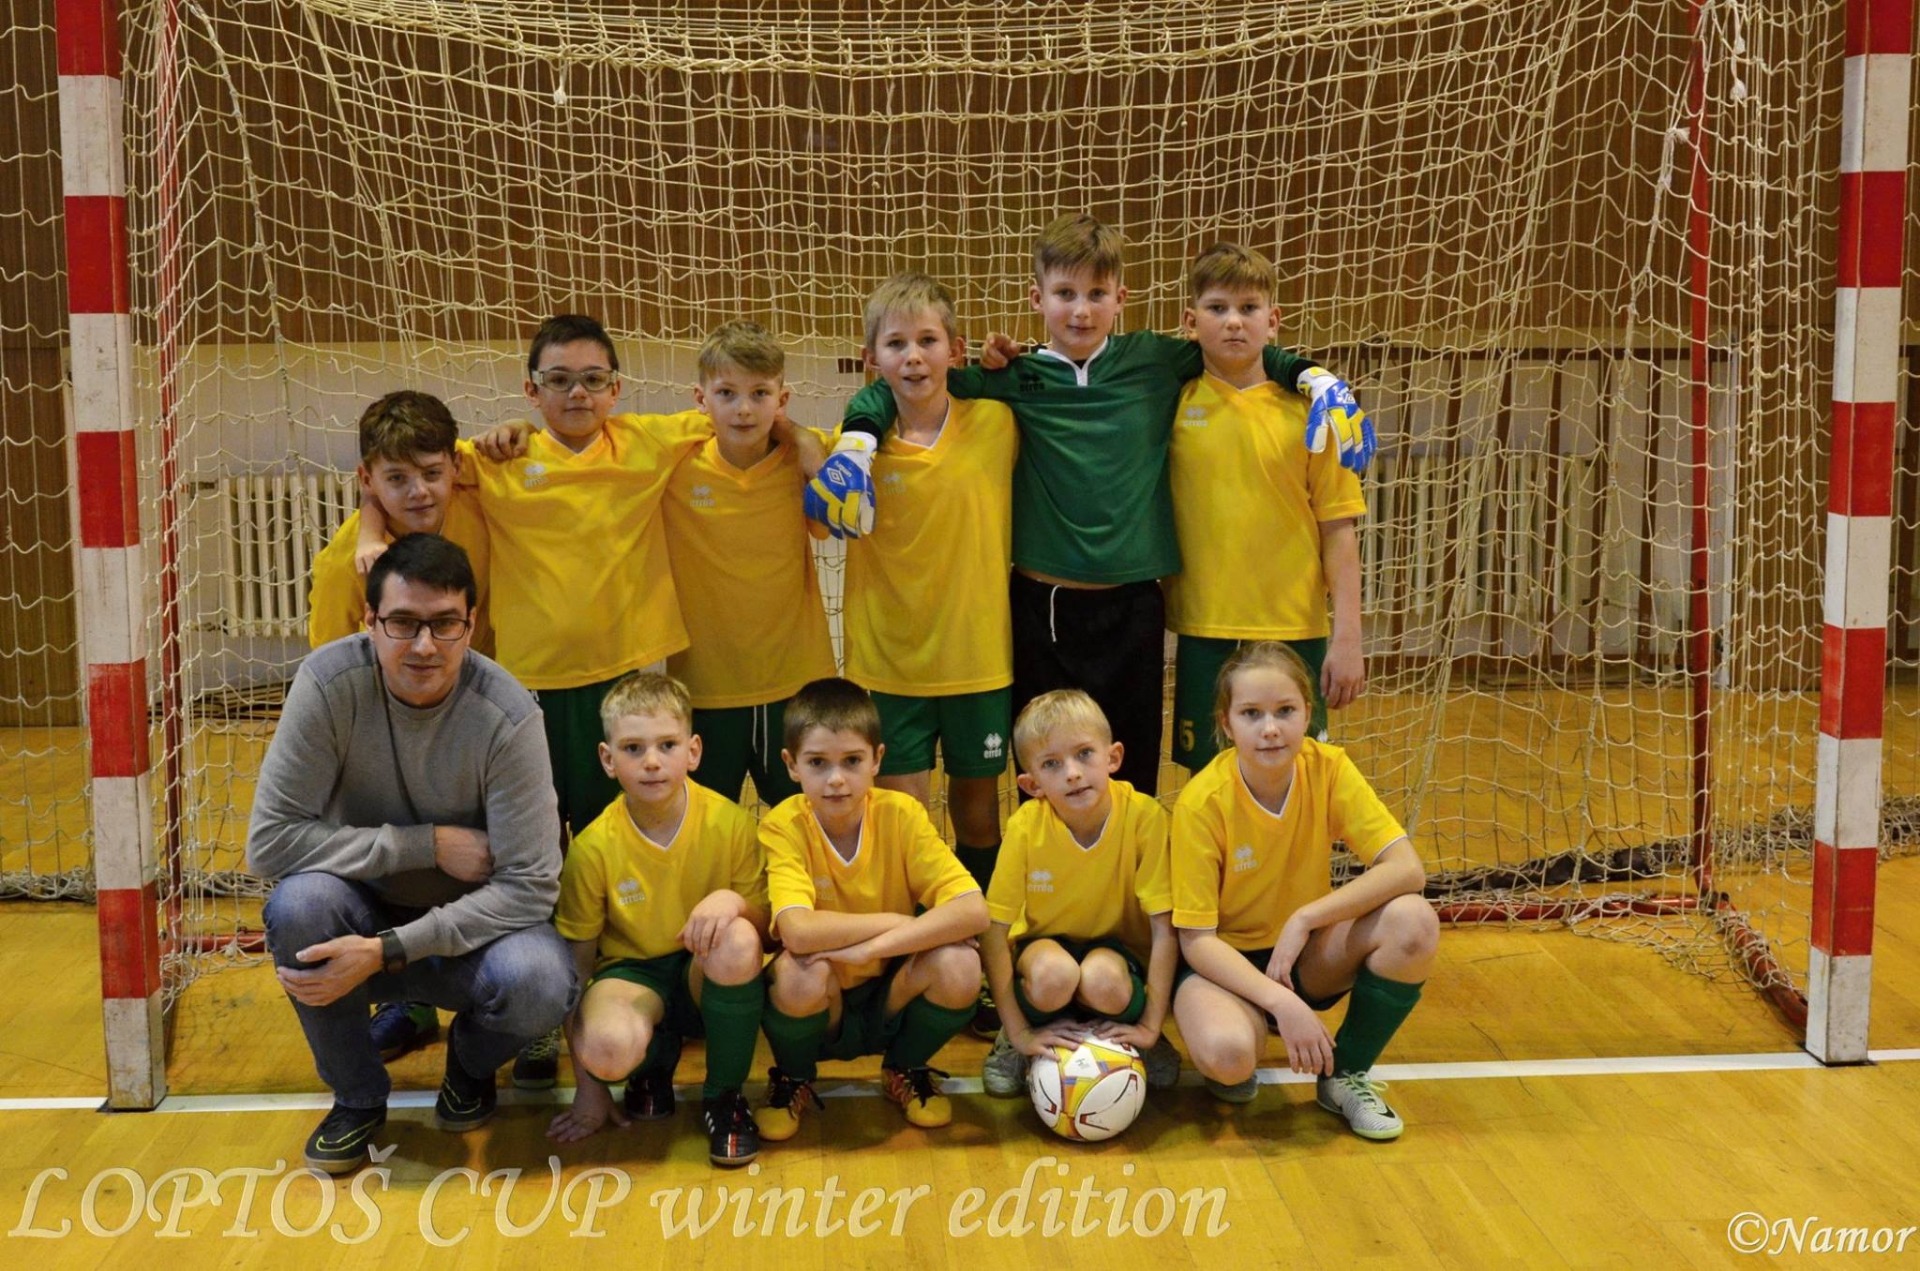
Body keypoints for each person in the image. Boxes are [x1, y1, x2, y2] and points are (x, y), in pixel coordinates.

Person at [825, 214, 1375, 795]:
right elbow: (905, 381)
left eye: (1095, 294)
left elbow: (1241, 350)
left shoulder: (1157, 361)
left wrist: (1314, 376)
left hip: (1135, 604)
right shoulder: (1015, 375)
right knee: (1044, 773)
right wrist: (858, 437)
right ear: (1037, 299)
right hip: (1042, 604)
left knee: (1130, 774)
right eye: (1065, 294)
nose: (1081, 310)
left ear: (1121, 298)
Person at [247, 533, 575, 1175]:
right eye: (403, 623)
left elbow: (531, 888)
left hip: (474, 933)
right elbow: (269, 841)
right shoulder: (328, 684)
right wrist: (423, 844)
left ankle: (470, 1065)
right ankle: (357, 1097)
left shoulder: (508, 714)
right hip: (362, 911)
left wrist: (388, 950)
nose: (424, 646)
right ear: (370, 622)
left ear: (471, 625)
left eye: (444, 624)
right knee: (300, 905)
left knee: (541, 981)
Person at [1170, 641, 1438, 1140]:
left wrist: (1306, 918)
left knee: (1414, 921)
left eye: (1285, 711)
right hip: (1223, 963)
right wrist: (1280, 1002)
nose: (1270, 728)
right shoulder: (1201, 802)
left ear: (1308, 714)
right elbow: (1196, 940)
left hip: (1303, 953)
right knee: (1229, 1058)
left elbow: (1407, 869)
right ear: (1227, 724)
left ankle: (1345, 1074)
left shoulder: (1328, 768)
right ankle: (1244, 1029)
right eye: (1251, 713)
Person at [308, 390, 489, 1064]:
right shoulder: (344, 566)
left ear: (454, 469)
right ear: (367, 479)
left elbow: (510, 448)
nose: (419, 492)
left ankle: (514, 999)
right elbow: (332, 680)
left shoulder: (482, 504)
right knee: (401, 856)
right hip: (392, 733)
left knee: (519, 848)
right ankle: (405, 998)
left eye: (432, 474)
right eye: (396, 479)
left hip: (489, 727)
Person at [546, 672, 770, 1168]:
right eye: (633, 748)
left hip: (702, 972)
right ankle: (651, 1067)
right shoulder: (592, 847)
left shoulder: (731, 823)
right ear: (608, 759)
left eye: (667, 745)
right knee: (607, 1047)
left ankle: (725, 1098)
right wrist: (588, 1087)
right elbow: (574, 968)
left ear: (693, 751)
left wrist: (732, 903)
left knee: (738, 939)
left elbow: (767, 929)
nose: (651, 761)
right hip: (634, 976)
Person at [842, 275, 1018, 902]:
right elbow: (802, 452)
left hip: (978, 658)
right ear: (872, 359)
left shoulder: (997, 421)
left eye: (927, 341)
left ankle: (980, 939)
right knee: (906, 823)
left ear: (955, 350)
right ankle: (918, 941)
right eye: (896, 344)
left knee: (979, 816)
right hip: (891, 664)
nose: (913, 356)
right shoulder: (856, 448)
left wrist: (1002, 365)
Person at [754, 678, 989, 1139]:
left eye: (852, 761)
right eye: (817, 763)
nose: (836, 779)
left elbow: (973, 910)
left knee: (960, 964)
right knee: (797, 974)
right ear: (791, 765)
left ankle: (905, 1067)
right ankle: (793, 1077)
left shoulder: (902, 814)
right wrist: (898, 923)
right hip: (825, 993)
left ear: (877, 759)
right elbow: (797, 931)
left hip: (890, 988)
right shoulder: (783, 825)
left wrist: (872, 949)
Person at [1168, 244, 1368, 769]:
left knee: (1298, 775)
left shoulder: (1315, 414)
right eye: (1217, 308)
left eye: (1249, 308)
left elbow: (1339, 528)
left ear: (1273, 321)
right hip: (1205, 628)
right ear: (1191, 321)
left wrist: (1348, 637)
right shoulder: (1171, 404)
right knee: (1207, 781)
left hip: (1295, 628)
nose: (1234, 321)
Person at [660, 321, 835, 805]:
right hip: (704, 690)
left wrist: (803, 440)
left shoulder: (805, 458)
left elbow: (827, 525)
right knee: (707, 831)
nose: (743, 409)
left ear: (782, 400)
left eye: (760, 393)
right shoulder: (673, 464)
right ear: (701, 399)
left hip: (797, 685)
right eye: (727, 393)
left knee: (806, 823)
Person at [979, 690, 1179, 1100]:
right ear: (1031, 784)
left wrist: (1151, 1025)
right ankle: (1021, 1039)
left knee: (1104, 981)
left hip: (1117, 953)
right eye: (1052, 764)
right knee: (1055, 976)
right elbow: (994, 931)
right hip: (1044, 950)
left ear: (1113, 757)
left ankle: (1133, 1034)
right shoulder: (1025, 828)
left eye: (1084, 754)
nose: (1072, 773)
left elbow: (1164, 929)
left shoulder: (1145, 818)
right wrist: (1016, 1030)